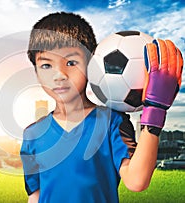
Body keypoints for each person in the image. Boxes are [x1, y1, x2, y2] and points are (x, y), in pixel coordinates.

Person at [20, 12, 183, 203]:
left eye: (71, 63)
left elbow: (137, 181)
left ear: (91, 65)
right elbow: (36, 195)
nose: (59, 75)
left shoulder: (112, 122)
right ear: (36, 72)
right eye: (46, 65)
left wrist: (155, 110)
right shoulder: (33, 134)